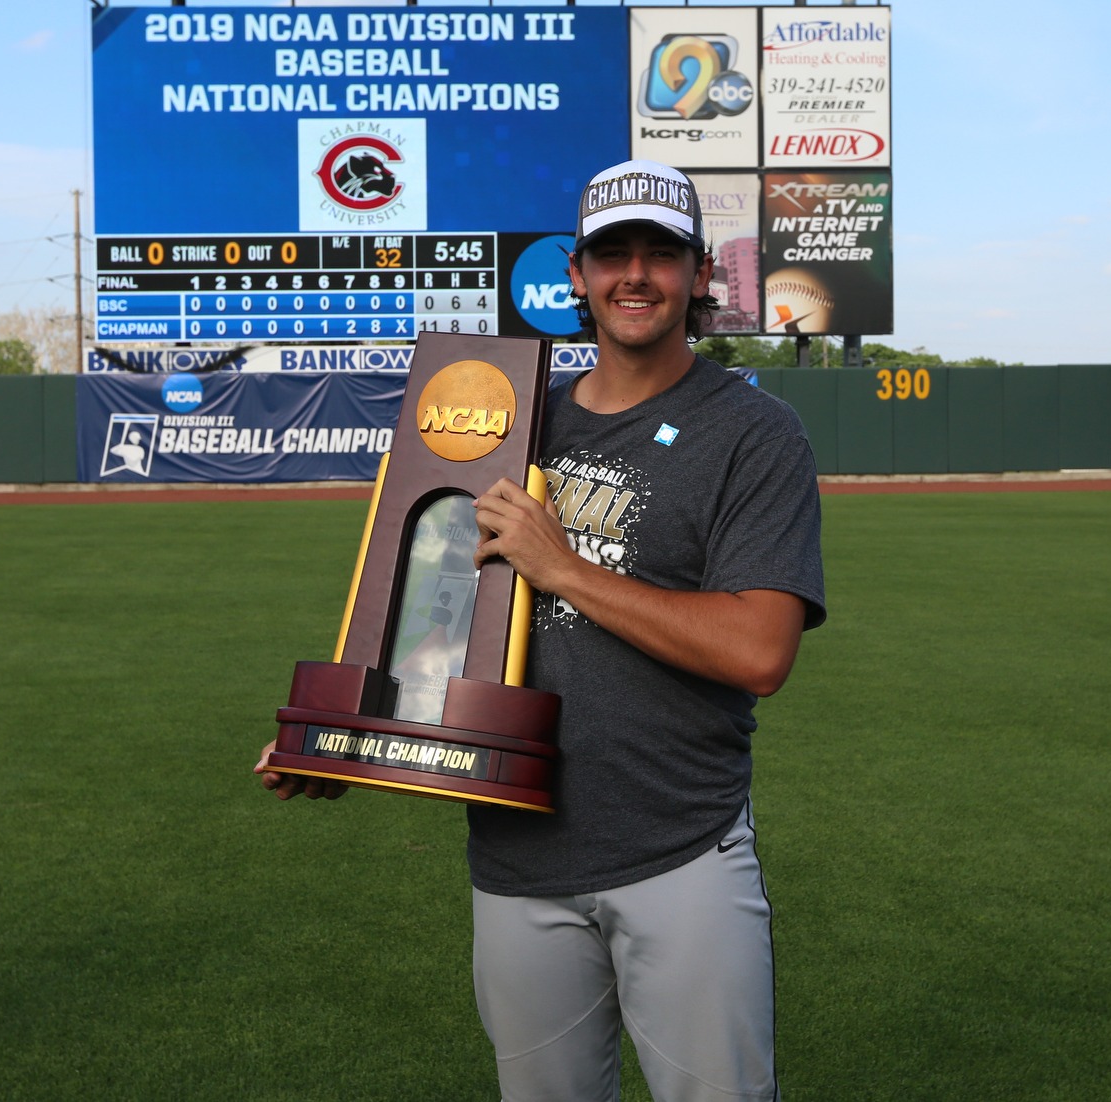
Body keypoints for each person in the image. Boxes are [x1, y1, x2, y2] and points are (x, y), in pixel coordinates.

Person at [263, 159, 825, 1102]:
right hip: (516, 854)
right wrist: (343, 737)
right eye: (612, 255)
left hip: (677, 848)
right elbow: (435, 617)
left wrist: (563, 566)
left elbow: (758, 652)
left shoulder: (752, 431)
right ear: (576, 275)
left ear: (697, 274)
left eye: (660, 253)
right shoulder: (515, 423)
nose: (634, 275)